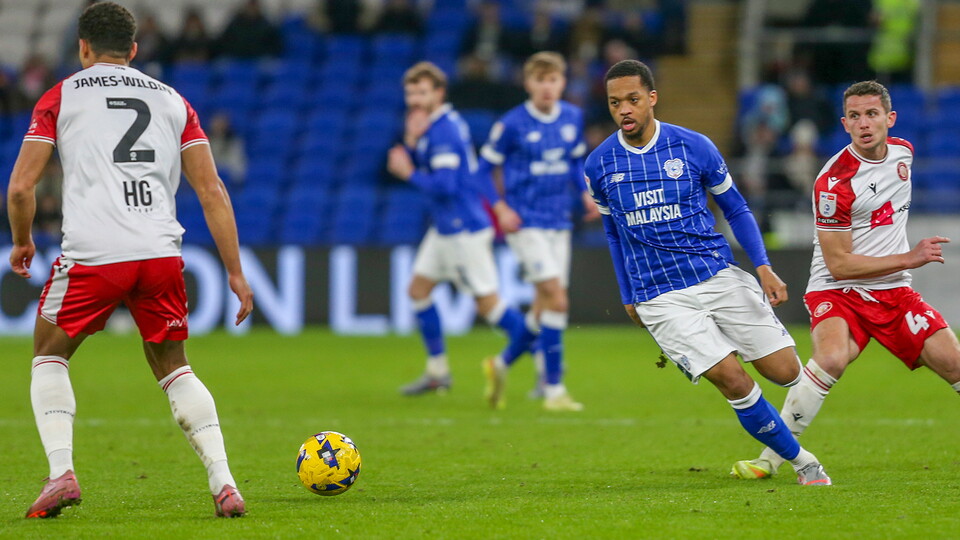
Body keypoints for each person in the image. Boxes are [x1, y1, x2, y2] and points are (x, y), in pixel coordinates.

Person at [9, 2, 253, 518]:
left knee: (48, 356)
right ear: (135, 50)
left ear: (82, 47)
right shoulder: (172, 100)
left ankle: (61, 474)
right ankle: (225, 483)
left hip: (94, 256)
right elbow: (212, 191)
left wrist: (23, 239)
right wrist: (234, 270)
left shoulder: (61, 96)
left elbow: (21, 187)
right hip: (159, 254)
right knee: (174, 367)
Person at [586, 59, 831, 485]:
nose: (624, 109)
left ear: (652, 98)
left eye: (632, 99)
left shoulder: (694, 146)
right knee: (731, 379)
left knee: (786, 372)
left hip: (716, 273)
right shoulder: (599, 165)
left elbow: (735, 208)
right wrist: (628, 294)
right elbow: (612, 234)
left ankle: (731, 351)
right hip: (659, 294)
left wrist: (764, 268)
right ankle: (803, 462)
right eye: (614, 103)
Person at [732, 81, 960, 480]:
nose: (864, 123)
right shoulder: (835, 183)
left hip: (894, 291)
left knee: (954, 362)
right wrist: (910, 256)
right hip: (839, 290)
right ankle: (769, 459)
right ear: (844, 123)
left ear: (889, 119)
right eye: (854, 116)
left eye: (872, 114)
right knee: (832, 358)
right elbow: (839, 266)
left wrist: (901, 265)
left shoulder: (904, 151)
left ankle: (769, 457)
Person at [386, 61, 530, 397]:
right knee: (418, 291)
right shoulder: (430, 127)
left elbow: (446, 185)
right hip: (444, 228)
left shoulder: (445, 131)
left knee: (490, 308)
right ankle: (438, 372)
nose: (415, 100)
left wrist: (407, 172)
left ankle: (542, 357)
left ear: (439, 93)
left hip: (463, 228)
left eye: (422, 92)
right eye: (410, 94)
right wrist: (410, 140)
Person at [479, 52, 599, 411]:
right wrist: (500, 208)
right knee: (556, 297)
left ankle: (500, 364)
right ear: (528, 83)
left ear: (562, 83)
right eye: (539, 80)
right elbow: (482, 170)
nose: (547, 87)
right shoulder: (511, 124)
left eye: (553, 80)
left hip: (559, 221)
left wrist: (584, 192)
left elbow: (575, 161)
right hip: (524, 222)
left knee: (543, 304)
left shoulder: (573, 117)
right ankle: (554, 389)